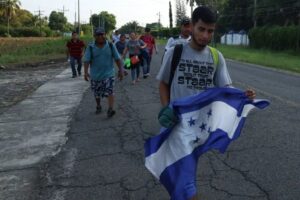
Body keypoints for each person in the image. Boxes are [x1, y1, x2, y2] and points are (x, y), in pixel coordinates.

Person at [156, 6, 255, 199]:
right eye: (201, 29)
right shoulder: (175, 51)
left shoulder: (216, 57)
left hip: (200, 127)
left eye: (210, 31)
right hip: (175, 125)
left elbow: (225, 89)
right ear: (192, 26)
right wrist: (167, 107)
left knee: (185, 173)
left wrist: (243, 95)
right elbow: (163, 83)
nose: (205, 36)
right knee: (184, 178)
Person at [83, 27, 124, 117]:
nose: (100, 36)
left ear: (105, 35)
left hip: (109, 73)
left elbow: (117, 58)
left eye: (102, 34)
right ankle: (98, 105)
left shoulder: (110, 45)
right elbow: (86, 60)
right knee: (97, 93)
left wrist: (121, 71)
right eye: (98, 35)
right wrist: (85, 72)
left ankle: (110, 109)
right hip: (95, 75)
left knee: (110, 90)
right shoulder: (90, 47)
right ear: (95, 36)